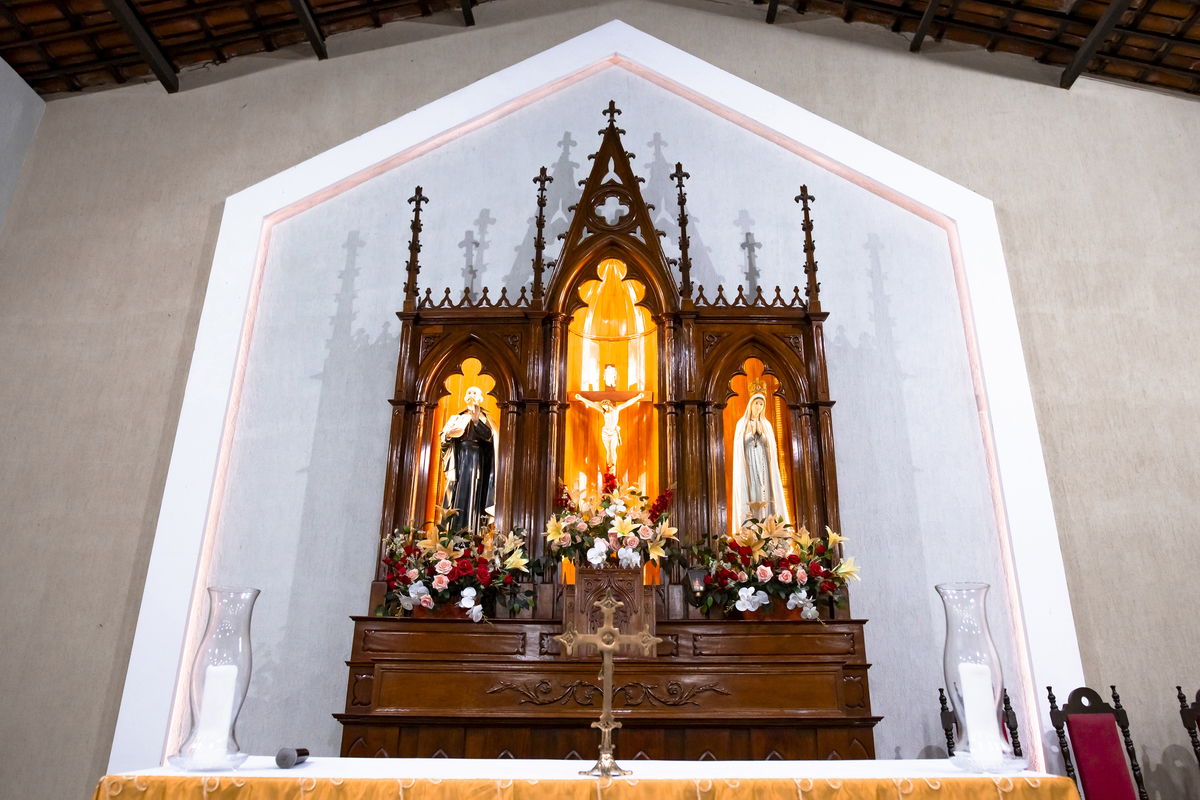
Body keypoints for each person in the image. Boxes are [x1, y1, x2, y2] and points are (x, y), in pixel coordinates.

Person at [439, 385, 498, 533]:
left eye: (475, 393)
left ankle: (471, 534)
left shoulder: (485, 418)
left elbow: (491, 437)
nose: (471, 395)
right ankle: (451, 533)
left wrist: (477, 422)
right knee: (456, 493)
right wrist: (448, 434)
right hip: (458, 458)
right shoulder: (456, 418)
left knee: (473, 494)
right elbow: (443, 440)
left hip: (476, 459)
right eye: (469, 392)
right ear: (465, 397)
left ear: (480, 398)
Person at [730, 388, 790, 526]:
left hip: (763, 467)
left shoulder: (766, 424)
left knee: (766, 494)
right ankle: (751, 529)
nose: (758, 407)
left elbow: (771, 446)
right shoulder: (742, 424)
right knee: (753, 493)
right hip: (749, 467)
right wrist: (751, 434)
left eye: (761, 404)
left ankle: (767, 527)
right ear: (751, 404)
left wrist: (761, 434)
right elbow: (740, 446)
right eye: (756, 403)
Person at [575, 392, 643, 468]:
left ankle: (613, 467)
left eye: (605, 406)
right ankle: (609, 468)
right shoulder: (604, 412)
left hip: (613, 433)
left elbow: (628, 403)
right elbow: (592, 405)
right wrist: (581, 398)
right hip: (605, 433)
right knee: (608, 451)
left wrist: (638, 397)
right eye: (603, 407)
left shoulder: (616, 409)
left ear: (609, 404)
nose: (604, 408)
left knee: (613, 450)